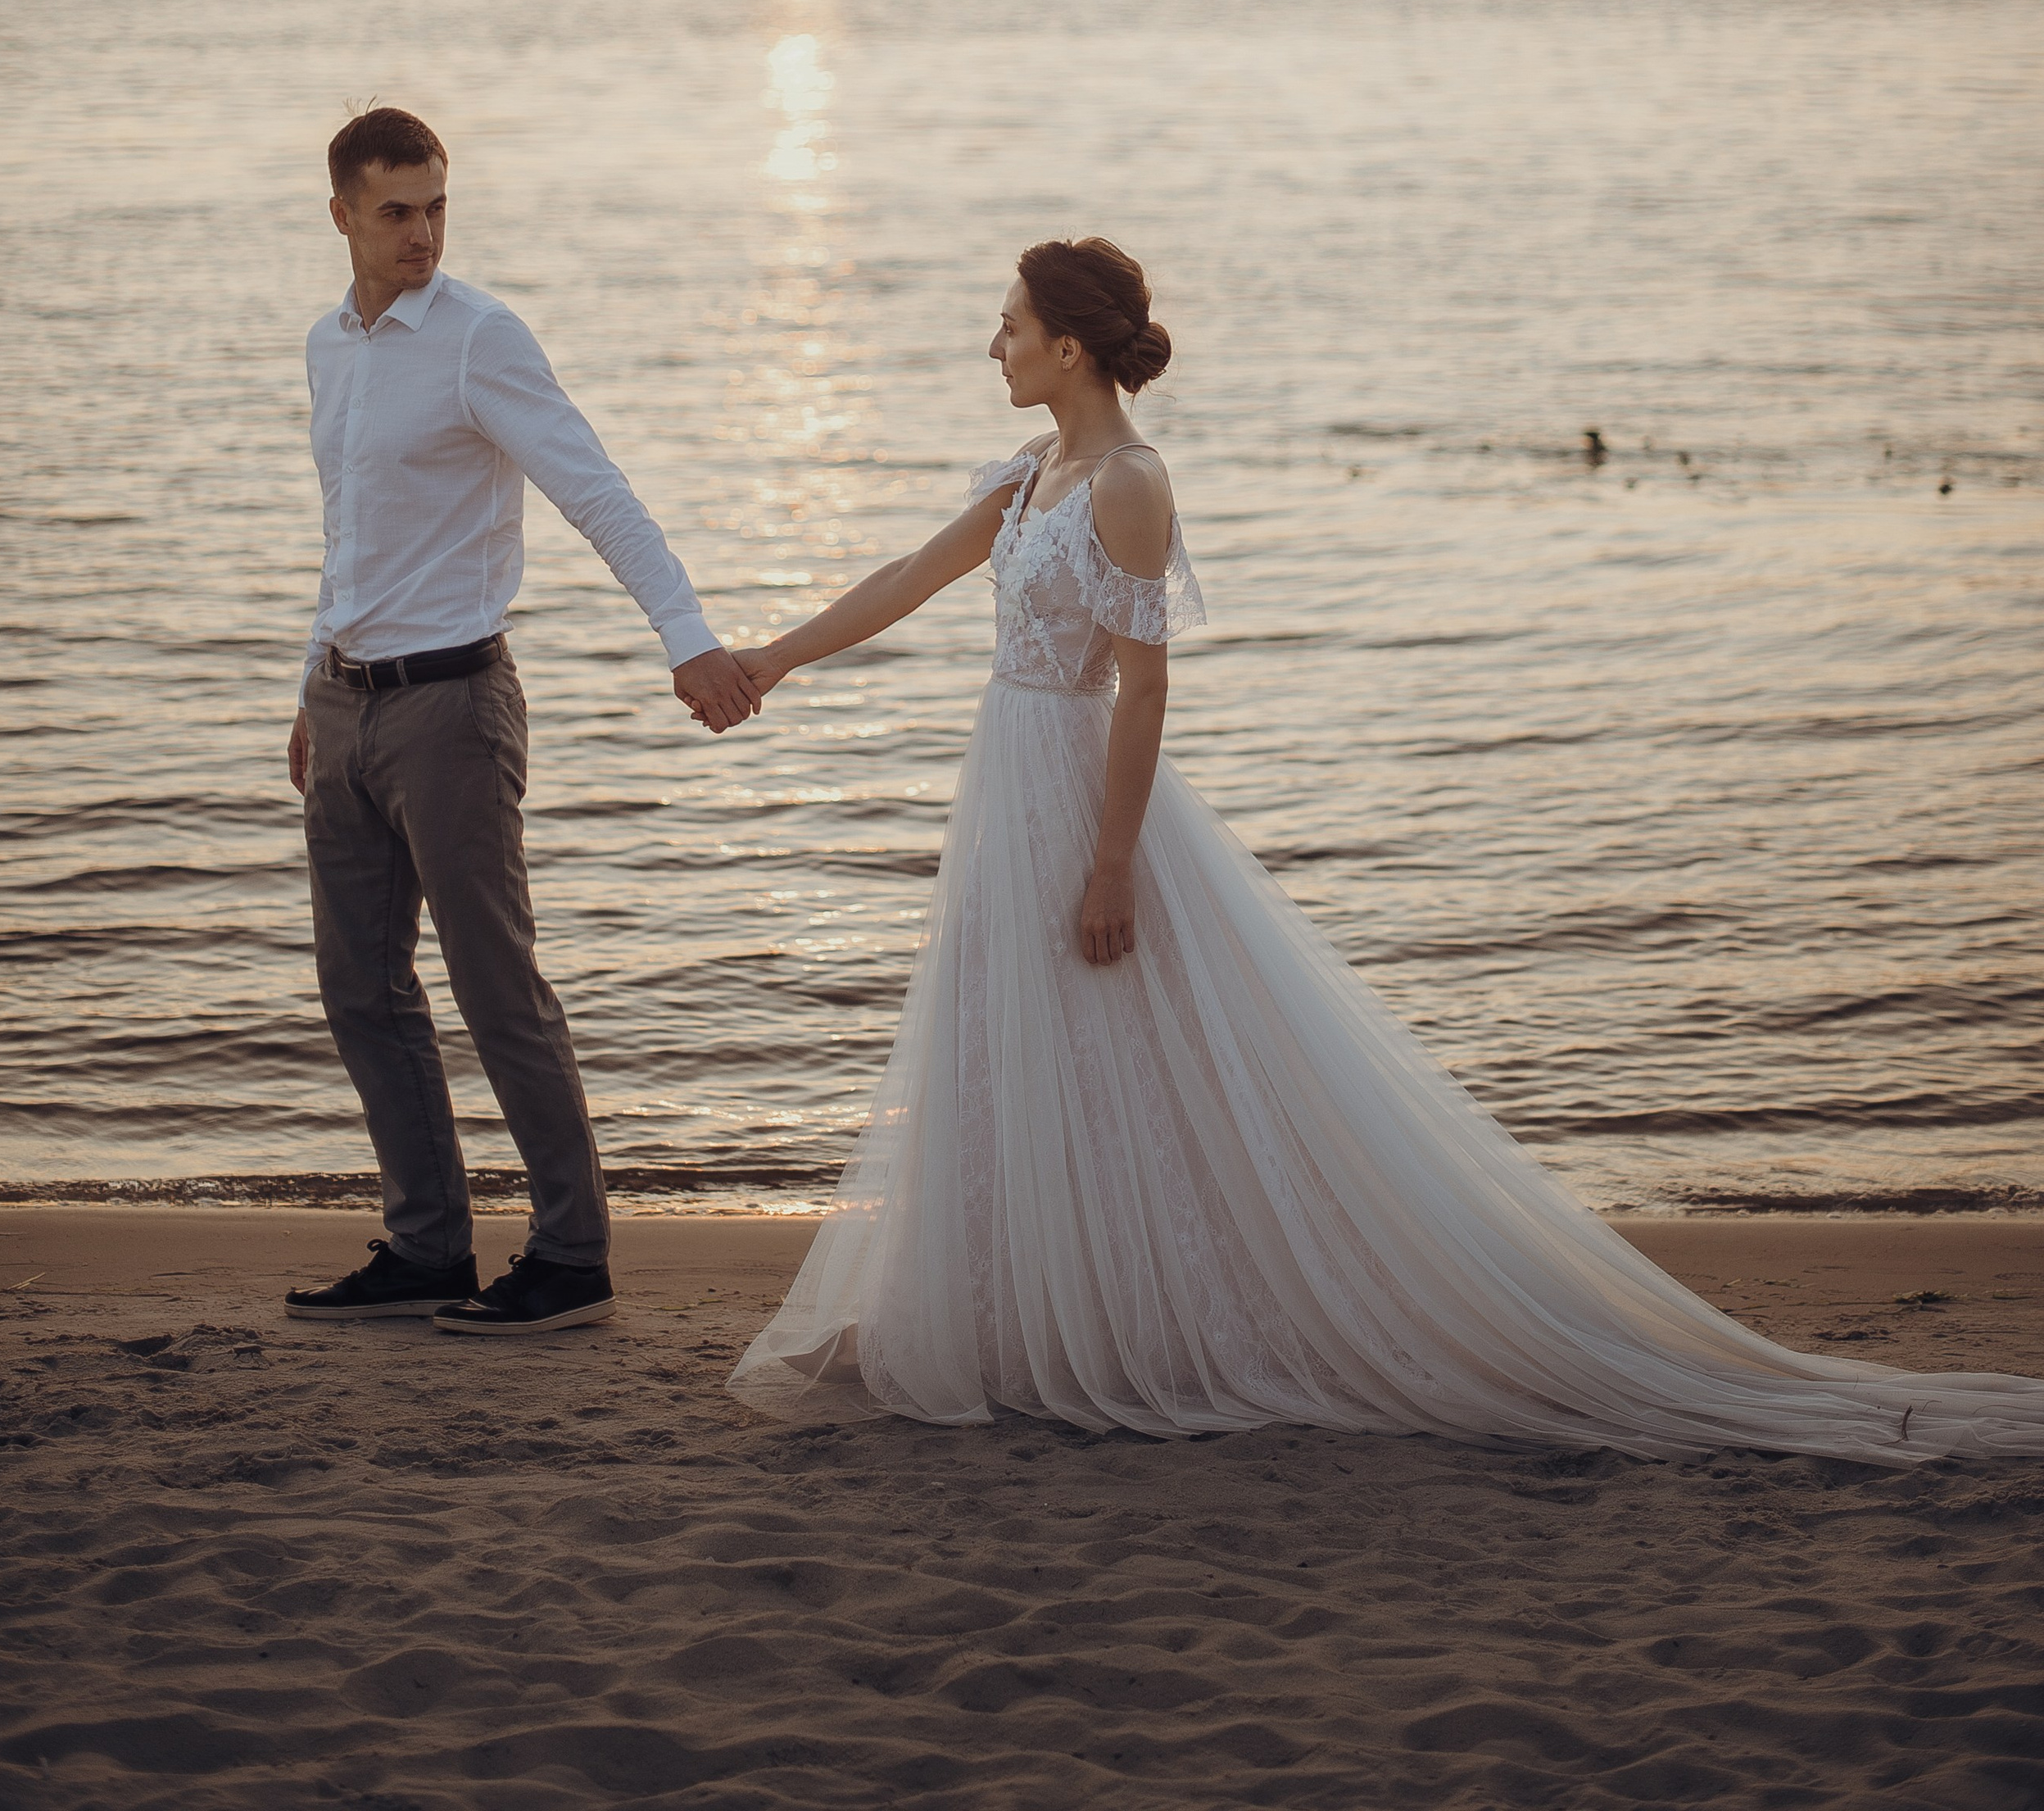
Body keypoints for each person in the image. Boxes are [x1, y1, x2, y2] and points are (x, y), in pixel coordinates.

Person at [728, 238, 2043, 1460]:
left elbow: (1144, 689)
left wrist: (1115, 860)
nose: (992, 346)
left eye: (1008, 327)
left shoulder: (1129, 486)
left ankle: (1140, 1318)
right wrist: (774, 658)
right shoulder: (1027, 477)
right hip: (1003, 779)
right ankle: (1006, 1309)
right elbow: (910, 574)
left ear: (1069, 349)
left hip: (1076, 789)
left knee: (1115, 1039)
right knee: (1006, 1038)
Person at [284, 107, 759, 1338]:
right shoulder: (330, 348)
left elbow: (596, 489)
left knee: (498, 989)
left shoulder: (480, 339)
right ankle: (429, 1246)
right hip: (349, 705)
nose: (423, 234)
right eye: (396, 211)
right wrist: (308, 687)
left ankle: (571, 1254)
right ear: (340, 212)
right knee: (359, 989)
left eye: (438, 206)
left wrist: (687, 639)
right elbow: (347, 535)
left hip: (453, 707)